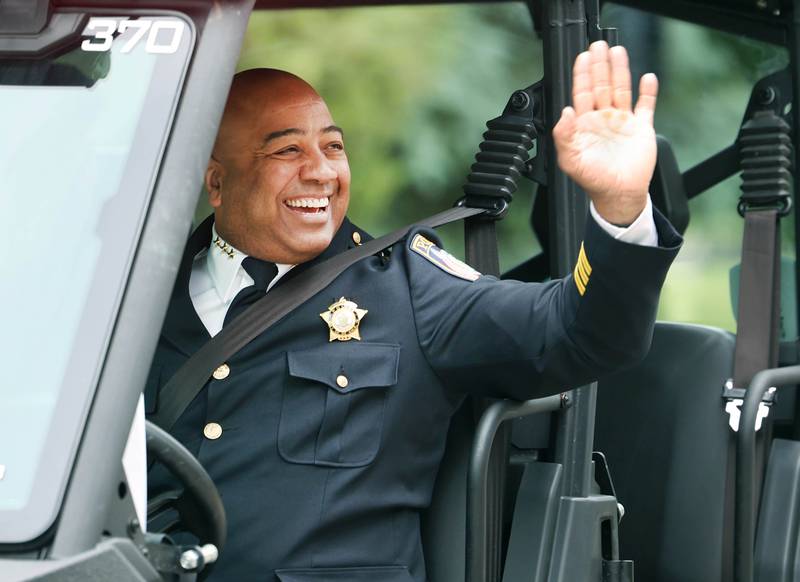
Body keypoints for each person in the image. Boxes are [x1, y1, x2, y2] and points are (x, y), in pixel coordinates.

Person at [145, 41, 681, 581]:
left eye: (333, 148)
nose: (321, 172)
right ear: (216, 181)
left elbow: (578, 332)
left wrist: (621, 210)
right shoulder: (137, 297)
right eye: (287, 152)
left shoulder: (408, 285)